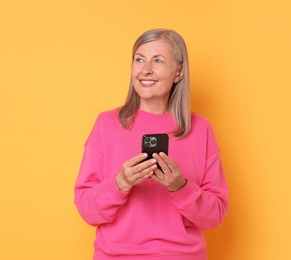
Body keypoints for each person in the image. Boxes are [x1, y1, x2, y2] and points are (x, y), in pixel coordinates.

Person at [74, 29, 229, 260]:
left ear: (178, 72)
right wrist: (121, 182)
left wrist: (180, 186)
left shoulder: (201, 129)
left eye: (157, 60)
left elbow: (215, 215)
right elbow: (87, 210)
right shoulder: (106, 124)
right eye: (139, 59)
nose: (145, 69)